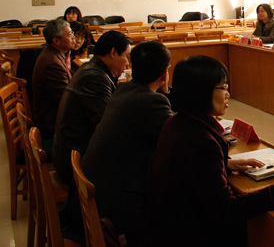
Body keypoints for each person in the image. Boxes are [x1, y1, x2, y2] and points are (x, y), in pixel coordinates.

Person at [129, 55, 274, 246]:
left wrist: (224, 164)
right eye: (223, 88)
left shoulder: (177, 122)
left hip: (156, 227)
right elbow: (226, 210)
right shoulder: (202, 142)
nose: (228, 94)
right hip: (183, 235)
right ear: (201, 92)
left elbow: (188, 170)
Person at [77, 40, 173, 237]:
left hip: (95, 195)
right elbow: (181, 138)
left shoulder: (122, 90)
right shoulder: (151, 101)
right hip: (117, 207)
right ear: (164, 74)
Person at [52, 31, 132, 184]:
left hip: (72, 151)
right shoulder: (95, 78)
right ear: (113, 53)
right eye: (126, 56)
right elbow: (107, 126)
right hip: (74, 163)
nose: (127, 63)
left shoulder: (93, 69)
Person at [32, 19, 73, 139]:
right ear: (56, 41)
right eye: (70, 35)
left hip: (53, 116)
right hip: (51, 124)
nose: (73, 38)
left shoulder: (53, 54)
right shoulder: (52, 63)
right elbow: (66, 100)